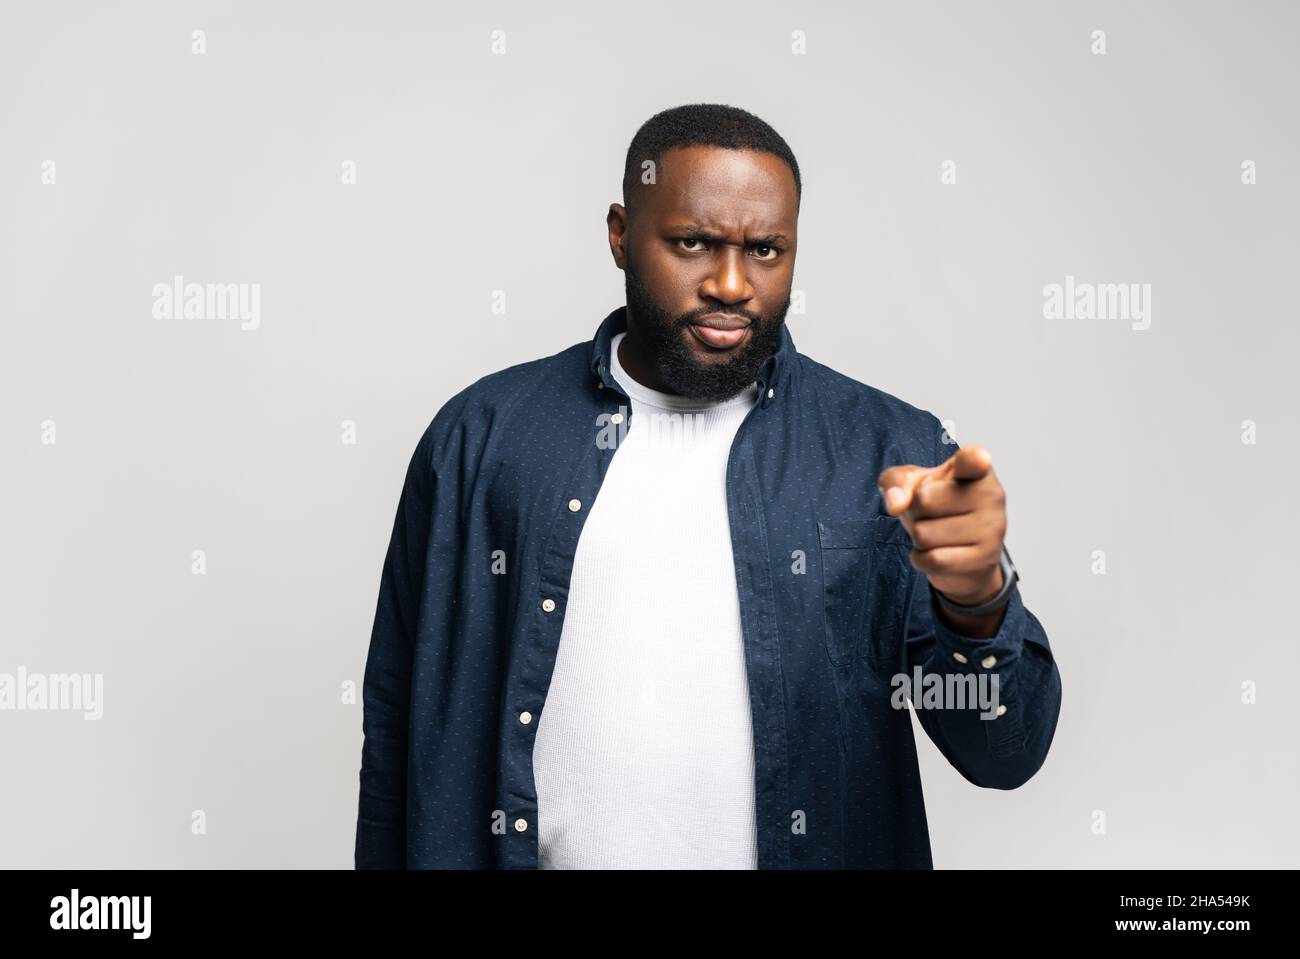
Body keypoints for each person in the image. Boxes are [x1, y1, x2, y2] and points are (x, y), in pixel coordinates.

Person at [354, 103, 1062, 869]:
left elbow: (1004, 750)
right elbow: (398, 728)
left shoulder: (889, 449)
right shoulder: (481, 438)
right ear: (621, 233)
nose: (732, 284)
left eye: (766, 250)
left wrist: (978, 599)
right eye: (692, 242)